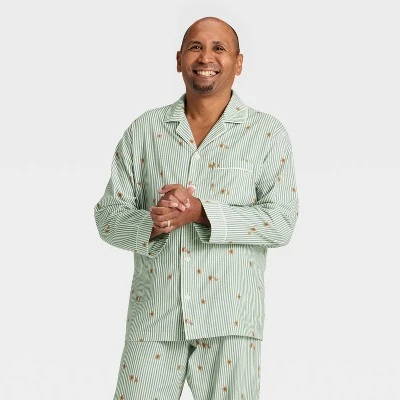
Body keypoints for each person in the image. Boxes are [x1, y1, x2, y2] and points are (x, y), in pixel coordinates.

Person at [94, 16, 299, 400]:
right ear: (179, 60)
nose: (206, 57)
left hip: (230, 319)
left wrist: (202, 212)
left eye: (219, 48)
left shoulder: (267, 134)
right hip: (154, 317)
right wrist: (152, 222)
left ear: (238, 63)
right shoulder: (144, 131)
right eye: (195, 47)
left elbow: (282, 222)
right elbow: (107, 217)